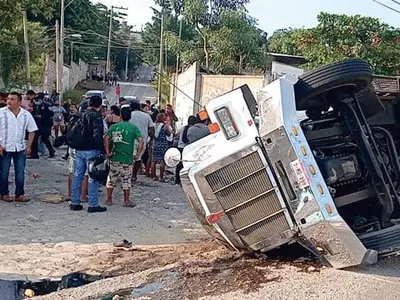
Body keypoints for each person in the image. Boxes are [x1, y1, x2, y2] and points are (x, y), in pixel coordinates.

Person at [69, 95, 107, 213]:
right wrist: (102, 150)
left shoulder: (82, 114)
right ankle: (93, 204)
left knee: (78, 175)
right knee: (93, 176)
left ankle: (75, 202)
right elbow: (97, 135)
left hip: (79, 149)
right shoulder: (96, 116)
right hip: (91, 149)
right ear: (100, 105)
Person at [0, 92, 38, 202]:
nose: (9, 101)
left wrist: (29, 145)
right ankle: (4, 193)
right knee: (4, 172)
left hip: (20, 147)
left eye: (12, 99)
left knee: (20, 172)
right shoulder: (1, 113)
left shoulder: (26, 115)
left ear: (19, 101)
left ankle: (19, 194)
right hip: (5, 147)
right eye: (8, 99)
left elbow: (32, 130)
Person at [104, 106, 144, 207]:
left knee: (111, 179)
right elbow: (141, 141)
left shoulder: (114, 127)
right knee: (126, 180)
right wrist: (138, 154)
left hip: (115, 157)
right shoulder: (133, 128)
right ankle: (126, 201)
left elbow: (106, 138)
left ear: (121, 115)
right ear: (130, 117)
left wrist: (108, 152)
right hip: (127, 159)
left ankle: (109, 199)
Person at [129, 101, 155, 183]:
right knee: (138, 158)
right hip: (143, 140)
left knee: (129, 157)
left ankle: (128, 174)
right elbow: (152, 128)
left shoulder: (129, 115)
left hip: (130, 139)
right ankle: (134, 175)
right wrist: (151, 139)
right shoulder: (146, 116)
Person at [30, 93, 56, 159]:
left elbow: (51, 114)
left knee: (45, 138)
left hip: (45, 124)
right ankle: (34, 154)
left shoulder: (47, 105)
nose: (36, 101)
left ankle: (51, 151)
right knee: (34, 138)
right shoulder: (34, 105)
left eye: (38, 99)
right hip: (37, 124)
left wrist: (42, 116)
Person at [175, 115, 196, 185]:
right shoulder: (192, 129)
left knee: (179, 164)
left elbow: (177, 135)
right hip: (186, 148)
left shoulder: (183, 128)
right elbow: (186, 139)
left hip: (180, 147)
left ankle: (177, 179)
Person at [152, 113, 172, 182]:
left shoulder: (153, 125)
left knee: (154, 160)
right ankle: (161, 177)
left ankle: (154, 176)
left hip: (155, 143)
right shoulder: (164, 126)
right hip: (163, 144)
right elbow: (168, 134)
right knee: (162, 160)